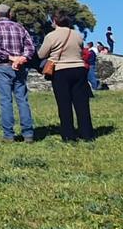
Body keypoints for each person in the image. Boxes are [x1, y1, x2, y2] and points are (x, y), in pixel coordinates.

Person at [37, 10, 94, 142]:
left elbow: (41, 54)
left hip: (61, 70)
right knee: (82, 104)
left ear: (54, 21)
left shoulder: (51, 36)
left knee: (64, 104)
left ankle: (69, 135)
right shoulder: (77, 35)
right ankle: (87, 133)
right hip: (79, 69)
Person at [0, 4, 36, 143]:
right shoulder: (20, 27)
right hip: (19, 67)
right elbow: (30, 47)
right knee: (22, 100)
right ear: (10, 14)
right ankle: (28, 133)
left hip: (3, 66)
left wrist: (11, 58)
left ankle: (9, 135)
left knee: (5, 101)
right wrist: (22, 58)